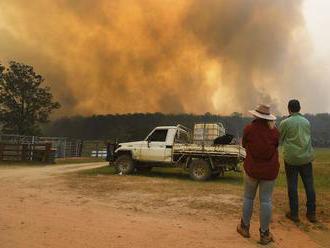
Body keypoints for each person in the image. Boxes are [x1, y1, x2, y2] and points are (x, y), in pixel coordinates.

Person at [237, 104, 280, 245]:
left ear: (256, 115)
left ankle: (244, 228)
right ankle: (264, 234)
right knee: (266, 201)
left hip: (252, 169)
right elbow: (276, 146)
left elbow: (244, 145)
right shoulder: (275, 132)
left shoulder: (249, 129)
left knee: (248, 198)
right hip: (269, 171)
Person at [279, 99, 316, 223]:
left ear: (289, 109)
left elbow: (280, 138)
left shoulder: (285, 123)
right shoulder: (306, 122)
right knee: (309, 185)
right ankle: (311, 214)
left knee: (292, 186)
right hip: (306, 157)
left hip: (291, 158)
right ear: (299, 108)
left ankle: (294, 214)